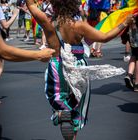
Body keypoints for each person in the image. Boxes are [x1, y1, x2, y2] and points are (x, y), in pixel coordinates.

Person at [26, 0, 134, 139]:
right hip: (78, 67)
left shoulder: (49, 23)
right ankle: (72, 125)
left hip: (57, 66)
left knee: (59, 99)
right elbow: (105, 37)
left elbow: (31, 6)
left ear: (54, 5)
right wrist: (125, 22)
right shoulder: (80, 25)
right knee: (77, 104)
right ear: (74, 5)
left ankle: (61, 112)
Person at [124, 15, 138, 92]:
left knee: (134, 55)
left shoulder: (132, 7)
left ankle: (129, 74)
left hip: (132, 31)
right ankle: (137, 83)